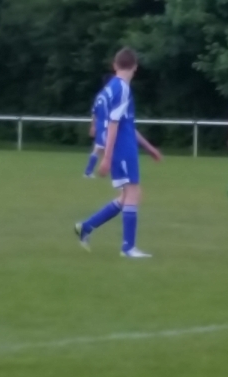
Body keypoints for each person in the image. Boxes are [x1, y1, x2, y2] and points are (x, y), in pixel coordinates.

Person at [74, 48, 162, 258]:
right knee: (133, 193)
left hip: (122, 145)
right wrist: (107, 156)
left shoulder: (108, 90)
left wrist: (149, 147)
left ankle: (86, 226)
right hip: (122, 148)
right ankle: (128, 248)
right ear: (135, 67)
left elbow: (125, 125)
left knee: (126, 196)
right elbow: (113, 124)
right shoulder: (122, 89)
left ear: (115, 65)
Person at [83, 76, 111, 178]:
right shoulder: (109, 96)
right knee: (101, 148)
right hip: (106, 125)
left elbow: (94, 112)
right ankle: (88, 172)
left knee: (102, 148)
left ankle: (100, 170)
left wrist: (93, 126)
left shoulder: (100, 95)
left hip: (101, 125)